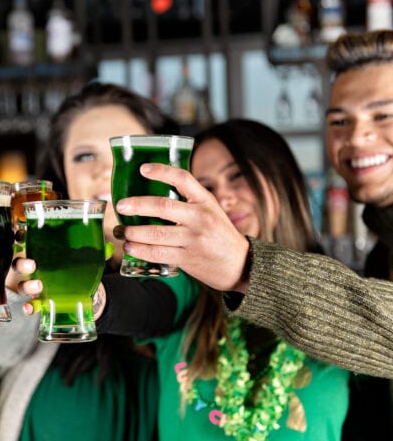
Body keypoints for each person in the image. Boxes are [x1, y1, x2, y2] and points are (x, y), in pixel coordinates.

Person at [114, 32, 393, 433]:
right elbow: (144, 304)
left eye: (383, 114)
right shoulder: (380, 257)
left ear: (280, 179)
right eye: (339, 121)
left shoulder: (343, 278)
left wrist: (245, 266)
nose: (357, 136)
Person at [0, 82, 180, 441]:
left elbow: (157, 307)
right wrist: (16, 292)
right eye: (84, 156)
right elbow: (0, 348)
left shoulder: (195, 267)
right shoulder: (34, 253)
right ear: (62, 175)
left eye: (124, 152)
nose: (103, 169)